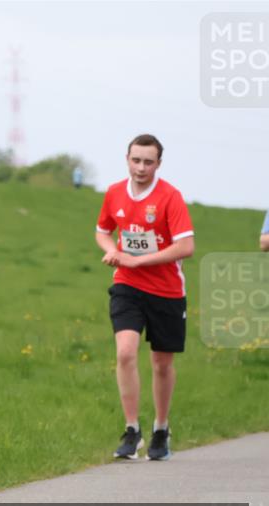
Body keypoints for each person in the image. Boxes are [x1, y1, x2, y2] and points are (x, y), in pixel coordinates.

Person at [95, 134, 194, 462]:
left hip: (166, 291)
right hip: (127, 286)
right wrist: (112, 251)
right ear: (127, 158)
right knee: (125, 353)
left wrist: (138, 259)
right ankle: (132, 429)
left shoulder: (170, 197)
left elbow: (185, 247)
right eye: (135, 160)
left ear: (158, 164)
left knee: (161, 363)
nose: (141, 167)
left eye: (148, 162)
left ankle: (161, 429)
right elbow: (102, 230)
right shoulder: (113, 193)